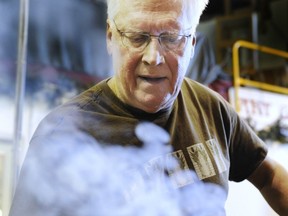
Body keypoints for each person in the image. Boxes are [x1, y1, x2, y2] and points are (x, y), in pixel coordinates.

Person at [9, 0, 288, 215]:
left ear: (191, 43)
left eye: (170, 38)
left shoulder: (210, 107)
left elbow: (268, 173)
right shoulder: (63, 134)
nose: (153, 57)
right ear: (110, 38)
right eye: (137, 36)